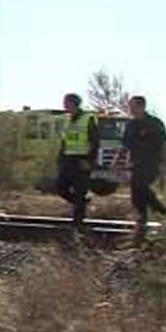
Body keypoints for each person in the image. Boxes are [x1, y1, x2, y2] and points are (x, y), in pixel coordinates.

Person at [122, 94, 166, 241]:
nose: (131, 109)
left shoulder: (155, 123)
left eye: (133, 106)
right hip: (135, 163)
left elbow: (164, 144)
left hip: (151, 162)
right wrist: (117, 161)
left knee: (140, 185)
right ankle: (142, 221)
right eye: (130, 106)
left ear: (141, 106)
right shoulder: (130, 125)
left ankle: (160, 210)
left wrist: (164, 163)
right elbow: (125, 145)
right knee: (136, 193)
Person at [56, 92, 99, 231]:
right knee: (60, 187)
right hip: (68, 159)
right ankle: (81, 203)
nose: (64, 105)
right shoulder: (67, 119)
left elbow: (95, 142)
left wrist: (89, 160)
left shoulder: (88, 118)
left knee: (80, 191)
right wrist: (60, 159)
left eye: (66, 103)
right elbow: (65, 141)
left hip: (82, 159)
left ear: (73, 103)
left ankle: (78, 223)